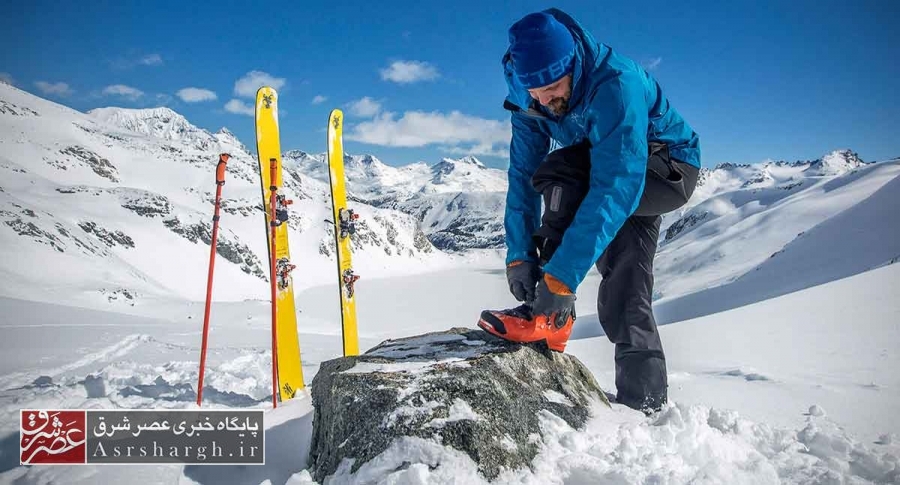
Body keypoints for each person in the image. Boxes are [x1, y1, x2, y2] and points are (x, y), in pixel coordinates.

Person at [477, 8, 701, 414]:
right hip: (610, 164)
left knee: (563, 172)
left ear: (574, 66)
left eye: (553, 88)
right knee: (628, 274)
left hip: (666, 169)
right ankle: (643, 402)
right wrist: (519, 257)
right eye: (536, 93)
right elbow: (523, 177)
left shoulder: (616, 84)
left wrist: (560, 278)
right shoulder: (529, 97)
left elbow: (617, 183)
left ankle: (547, 315)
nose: (545, 101)